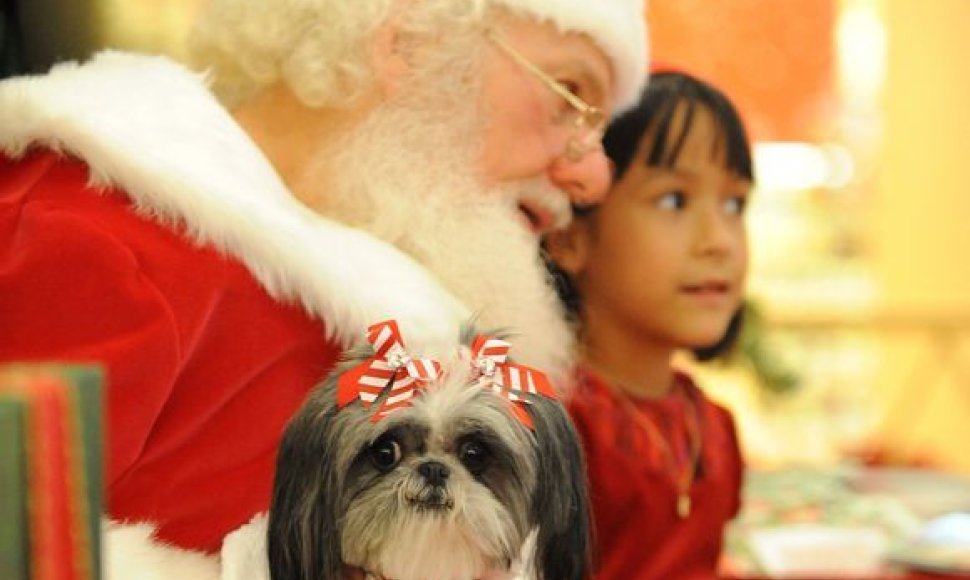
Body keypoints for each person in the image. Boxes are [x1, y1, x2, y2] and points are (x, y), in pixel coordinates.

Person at [0, 0, 647, 576]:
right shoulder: (87, 233)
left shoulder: (389, 317)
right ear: (408, 45)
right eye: (568, 95)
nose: (591, 175)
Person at [544, 70, 753, 580]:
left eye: (734, 204)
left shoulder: (712, 428)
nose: (720, 240)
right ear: (569, 236)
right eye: (674, 200)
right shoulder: (556, 431)